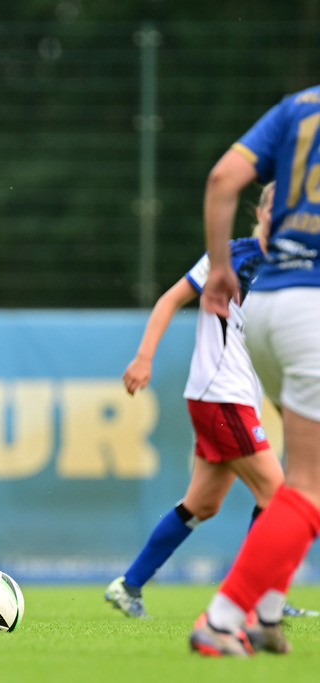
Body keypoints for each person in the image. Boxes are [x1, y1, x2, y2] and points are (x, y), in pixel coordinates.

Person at [106, 183, 287, 619]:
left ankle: (128, 586)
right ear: (260, 213)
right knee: (279, 497)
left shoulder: (292, 269)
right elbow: (171, 299)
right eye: (274, 208)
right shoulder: (231, 257)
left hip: (233, 398)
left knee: (202, 504)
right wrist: (144, 357)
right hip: (221, 396)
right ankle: (255, 599)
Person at [190, 84, 320, 656]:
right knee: (309, 488)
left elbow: (222, 179)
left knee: (299, 481)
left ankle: (267, 612)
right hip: (312, 311)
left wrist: (220, 267)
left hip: (264, 307)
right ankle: (222, 619)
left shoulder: (299, 106)